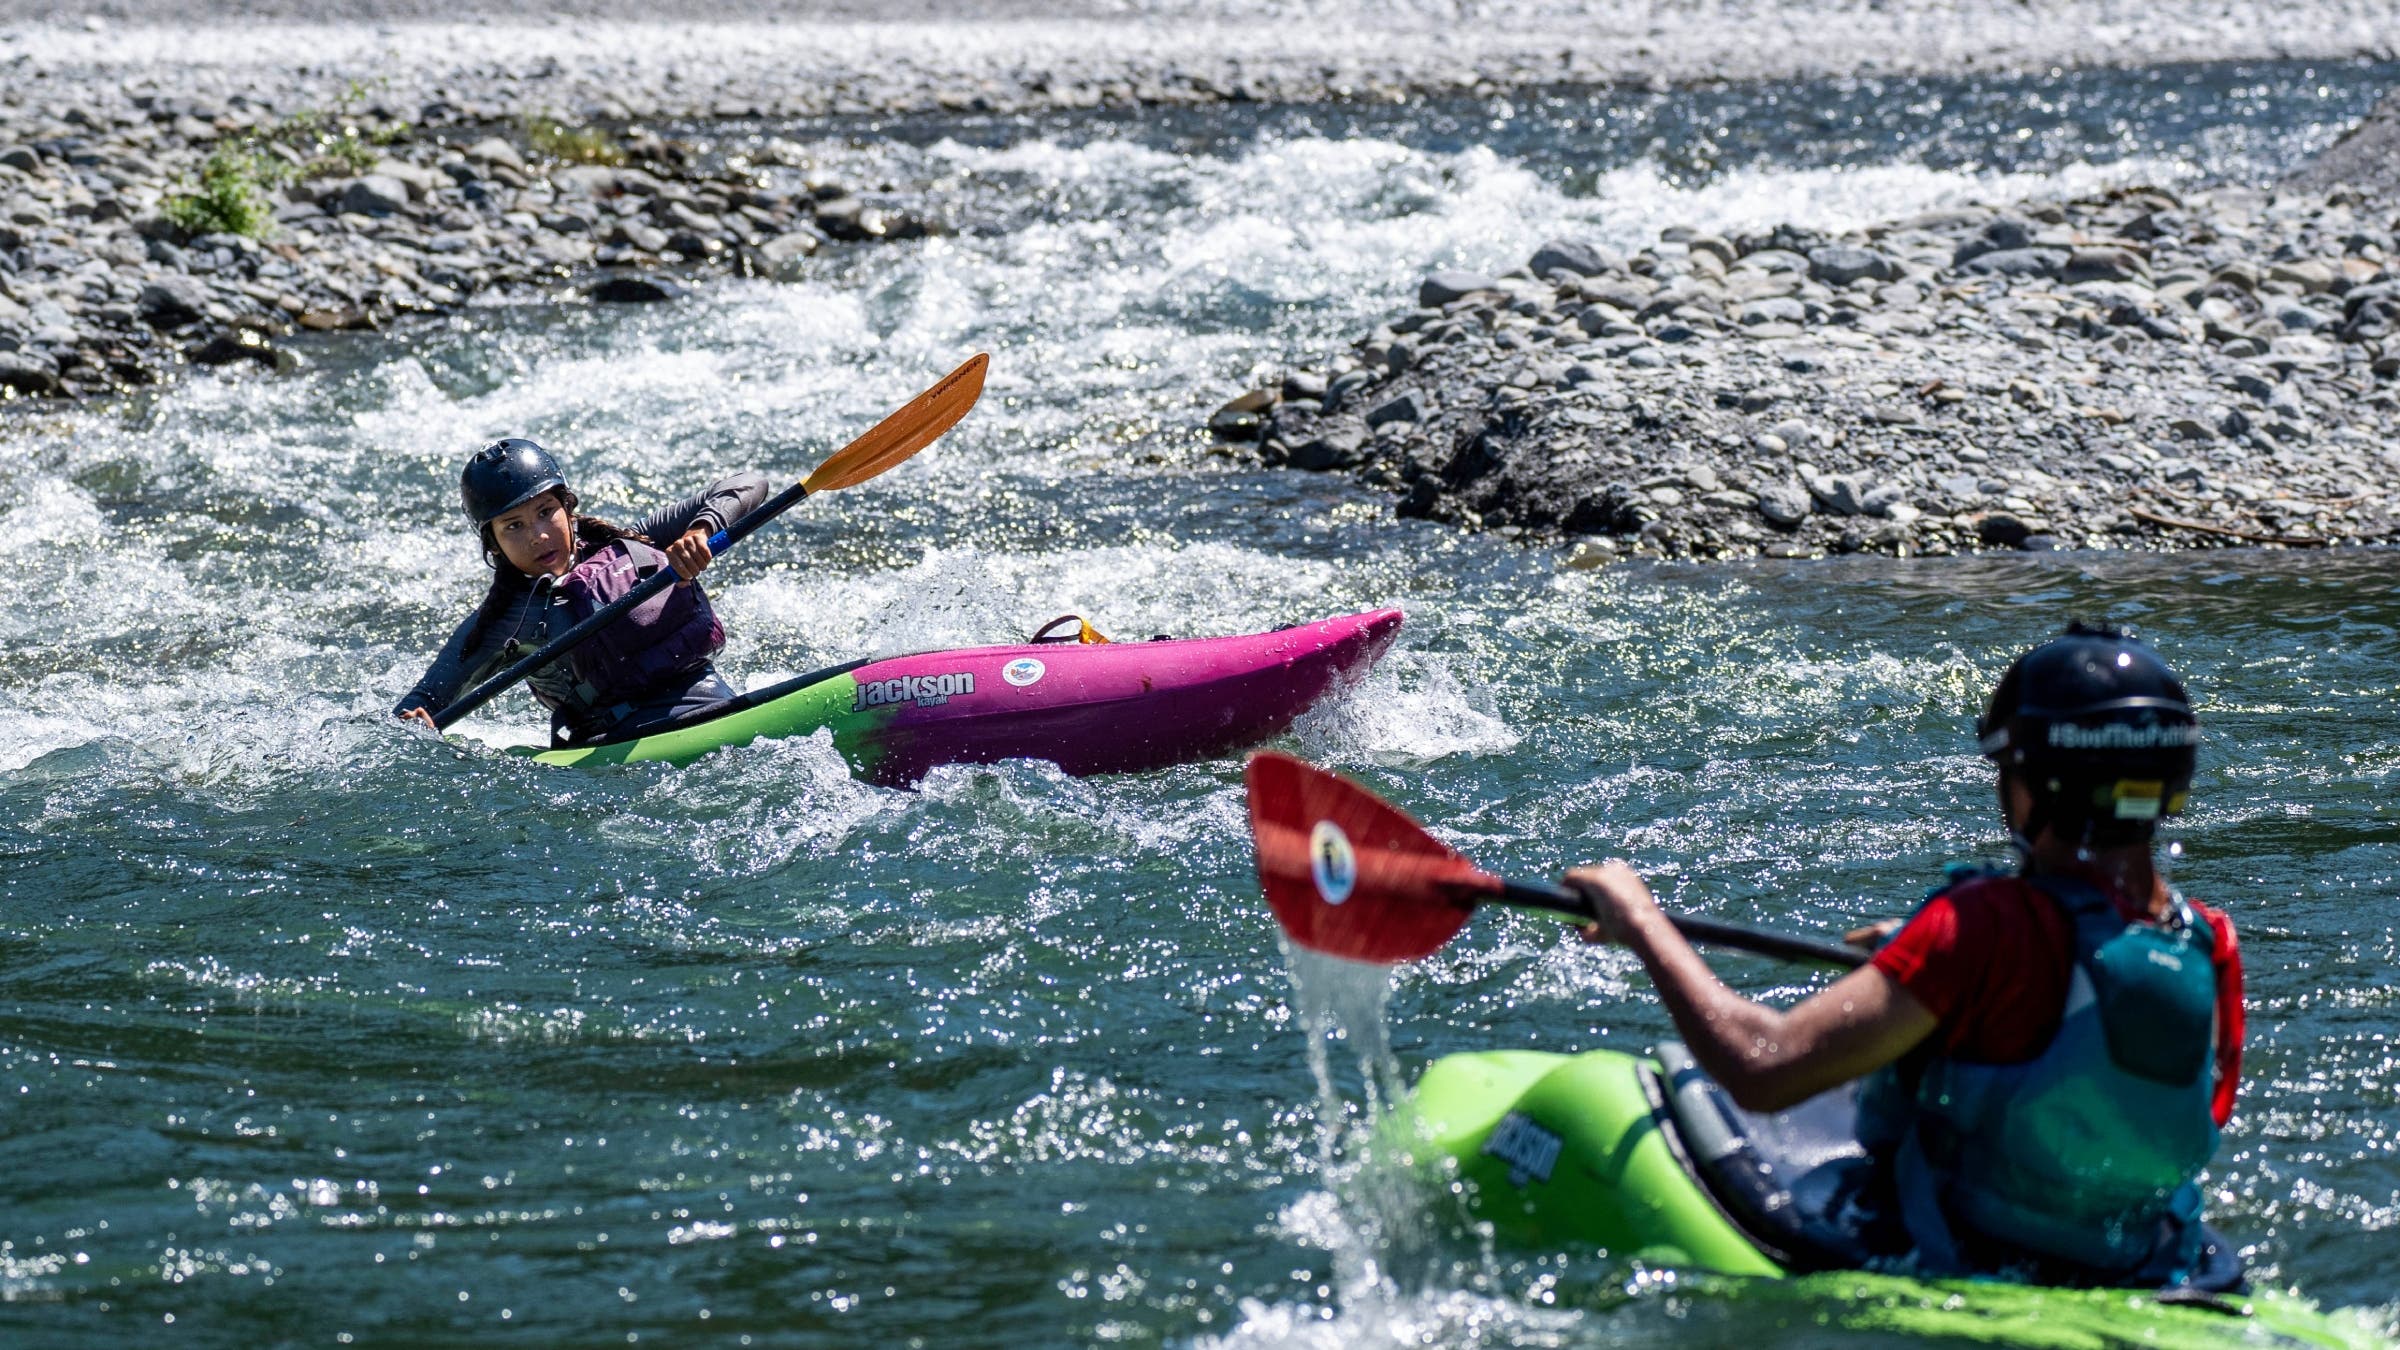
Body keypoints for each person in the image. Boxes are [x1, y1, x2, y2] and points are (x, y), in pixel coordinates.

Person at [1566, 622, 2241, 1286]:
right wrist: (1940, 975)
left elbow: (1761, 1069)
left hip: (1962, 1253)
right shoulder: (2207, 943)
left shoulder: (1979, 927)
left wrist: (1644, 923)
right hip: (2143, 1264)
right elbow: (2123, 1109)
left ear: (2033, 783)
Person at [395, 438, 768, 746]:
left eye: (546, 512)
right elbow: (421, 704)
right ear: (493, 544)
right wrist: (417, 724)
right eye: (513, 526)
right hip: (611, 746)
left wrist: (701, 531)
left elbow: (750, 483)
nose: (538, 534)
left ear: (568, 508)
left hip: (713, 704)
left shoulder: (634, 542)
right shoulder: (504, 621)